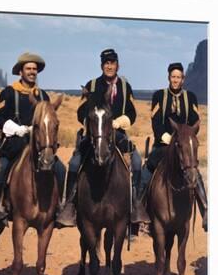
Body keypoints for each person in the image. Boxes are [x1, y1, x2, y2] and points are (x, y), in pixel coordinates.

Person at [56, 48, 149, 226]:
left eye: (112, 63)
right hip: (94, 134)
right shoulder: (91, 86)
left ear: (117, 65)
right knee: (75, 163)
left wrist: (120, 121)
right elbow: (80, 112)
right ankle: (69, 205)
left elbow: (132, 112)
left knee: (136, 162)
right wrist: (91, 120)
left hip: (118, 134)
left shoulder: (124, 86)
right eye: (106, 63)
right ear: (101, 66)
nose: (109, 66)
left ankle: (135, 203)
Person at [0, 52, 68, 226]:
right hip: (15, 144)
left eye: (34, 69)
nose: (32, 72)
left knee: (60, 169)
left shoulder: (43, 96)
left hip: (39, 144)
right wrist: (17, 129)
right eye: (28, 68)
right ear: (20, 72)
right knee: (1, 170)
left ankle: (59, 208)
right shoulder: (9, 92)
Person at [138, 62, 208, 231]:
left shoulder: (190, 97)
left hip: (183, 146)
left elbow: (193, 122)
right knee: (148, 168)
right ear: (169, 78)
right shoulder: (159, 96)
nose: (175, 80)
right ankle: (138, 208)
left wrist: (185, 138)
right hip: (163, 144)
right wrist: (166, 137)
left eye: (178, 77)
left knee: (194, 170)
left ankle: (206, 209)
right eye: (173, 77)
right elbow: (155, 122)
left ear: (183, 79)